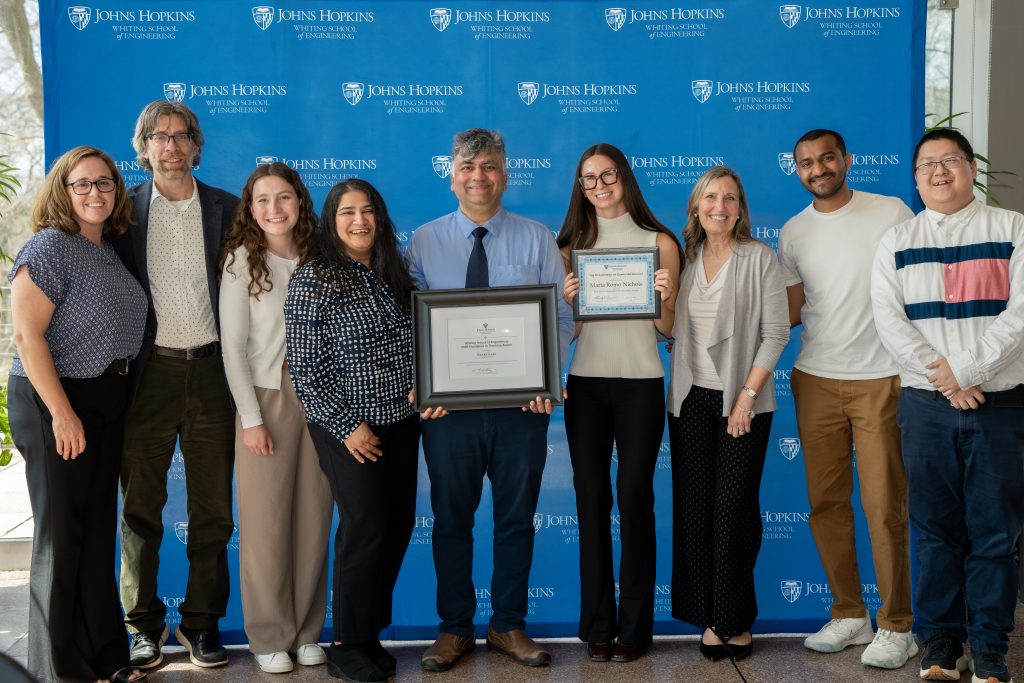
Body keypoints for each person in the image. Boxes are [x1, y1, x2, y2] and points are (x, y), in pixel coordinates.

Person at [405, 128, 574, 672]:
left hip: (521, 410)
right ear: (451, 174)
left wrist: (546, 378)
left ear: (505, 174)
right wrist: (422, 383)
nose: (479, 176)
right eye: (468, 166)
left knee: (516, 519)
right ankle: (453, 628)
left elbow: (562, 318)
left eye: (490, 166)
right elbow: (410, 325)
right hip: (446, 413)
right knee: (451, 521)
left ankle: (507, 625)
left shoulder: (536, 237)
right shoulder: (425, 241)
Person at [871, 129, 1024, 683]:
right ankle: (938, 647)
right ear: (914, 178)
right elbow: (890, 322)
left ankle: (988, 651)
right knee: (934, 531)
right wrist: (948, 379)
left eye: (951, 161)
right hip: (926, 407)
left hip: (1000, 405)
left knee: (995, 534)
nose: (939, 172)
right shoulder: (897, 241)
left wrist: (969, 370)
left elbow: (1021, 315)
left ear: (971, 169)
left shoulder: (1012, 230)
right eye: (927, 164)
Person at [7, 146, 148, 683]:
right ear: (62, 192)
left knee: (95, 537)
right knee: (61, 539)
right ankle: (59, 669)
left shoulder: (107, 249)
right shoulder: (49, 247)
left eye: (106, 184)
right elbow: (27, 336)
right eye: (82, 184)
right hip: (54, 402)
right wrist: (62, 415)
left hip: (102, 403)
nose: (96, 194)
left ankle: (106, 658)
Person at [780, 129, 917, 668]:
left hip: (883, 378)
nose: (818, 169)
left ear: (846, 160)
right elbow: (789, 312)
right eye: (806, 163)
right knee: (826, 504)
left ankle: (898, 624)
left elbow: (922, 283)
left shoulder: (891, 212)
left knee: (885, 507)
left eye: (827, 158)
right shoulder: (792, 232)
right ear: (797, 170)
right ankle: (849, 613)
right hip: (815, 379)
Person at [113, 100, 240, 669]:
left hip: (215, 372)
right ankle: (142, 627)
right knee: (141, 507)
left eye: (181, 136)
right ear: (143, 149)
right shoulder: (121, 214)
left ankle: (202, 624)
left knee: (213, 508)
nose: (170, 146)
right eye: (159, 137)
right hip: (148, 375)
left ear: (196, 145)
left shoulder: (229, 209)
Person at [285, 179, 421, 683]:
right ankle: (343, 642)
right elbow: (306, 369)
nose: (359, 220)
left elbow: (419, 340)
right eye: (347, 212)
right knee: (363, 527)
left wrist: (424, 385)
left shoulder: (392, 272)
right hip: (348, 428)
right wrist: (348, 426)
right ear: (331, 219)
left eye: (368, 211)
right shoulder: (314, 278)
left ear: (380, 218)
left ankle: (367, 634)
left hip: (403, 422)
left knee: (398, 524)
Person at [556, 143, 682, 663]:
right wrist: (570, 306)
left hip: (641, 383)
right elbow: (567, 335)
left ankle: (634, 627)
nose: (601, 186)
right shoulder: (569, 245)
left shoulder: (661, 242)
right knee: (590, 502)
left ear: (625, 178)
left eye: (609, 175)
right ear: (580, 188)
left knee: (634, 499)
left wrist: (664, 297)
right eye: (590, 179)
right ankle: (597, 627)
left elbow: (667, 332)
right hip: (585, 384)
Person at [667, 166, 789, 662]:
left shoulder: (760, 258)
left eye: (730, 198)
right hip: (690, 400)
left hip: (743, 401)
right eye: (711, 197)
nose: (720, 206)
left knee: (734, 514)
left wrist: (744, 397)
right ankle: (709, 617)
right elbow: (668, 331)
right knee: (696, 513)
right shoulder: (688, 259)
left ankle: (735, 619)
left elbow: (776, 334)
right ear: (697, 206)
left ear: (741, 208)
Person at [219, 163, 333, 674]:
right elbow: (233, 348)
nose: (273, 209)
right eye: (262, 200)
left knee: (314, 519)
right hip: (266, 397)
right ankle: (269, 635)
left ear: (299, 202)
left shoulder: (322, 256)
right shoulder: (243, 260)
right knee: (265, 528)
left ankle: (308, 631)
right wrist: (251, 418)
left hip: (324, 399)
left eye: (283, 198)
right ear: (250, 207)